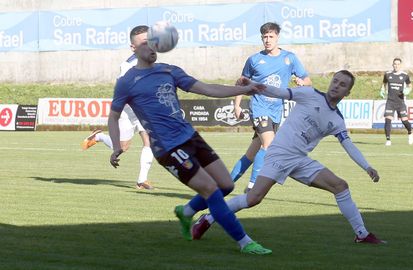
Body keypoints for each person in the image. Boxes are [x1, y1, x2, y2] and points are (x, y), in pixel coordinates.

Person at [107, 25, 272, 255]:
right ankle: (245, 242)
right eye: (144, 42)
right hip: (167, 148)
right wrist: (116, 146)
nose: (151, 46)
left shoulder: (169, 70)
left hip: (190, 137)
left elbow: (207, 88)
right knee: (211, 190)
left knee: (226, 185)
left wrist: (244, 90)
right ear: (133, 48)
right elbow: (113, 117)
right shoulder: (127, 81)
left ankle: (186, 212)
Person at [192, 70, 386, 245]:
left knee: (340, 186)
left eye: (343, 84)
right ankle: (209, 217)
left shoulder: (337, 120)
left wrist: (367, 166)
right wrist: (252, 84)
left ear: (348, 93)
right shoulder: (310, 94)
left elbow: (348, 145)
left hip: (299, 159)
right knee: (253, 199)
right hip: (279, 152)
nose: (337, 85)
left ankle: (361, 234)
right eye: (335, 81)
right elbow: (279, 92)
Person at [230, 22, 312, 192]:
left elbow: (307, 80)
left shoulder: (290, 58)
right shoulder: (254, 60)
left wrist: (302, 82)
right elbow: (241, 83)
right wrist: (237, 105)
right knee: (269, 145)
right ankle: (253, 186)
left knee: (251, 154)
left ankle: (224, 186)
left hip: (276, 111)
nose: (267, 40)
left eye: (271, 36)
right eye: (264, 37)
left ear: (277, 37)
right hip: (259, 108)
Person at [81, 53, 154, 190]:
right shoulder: (128, 65)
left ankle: (141, 180)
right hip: (127, 109)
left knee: (149, 141)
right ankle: (99, 137)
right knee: (123, 147)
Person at [380, 57, 413, 146]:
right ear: (392, 65)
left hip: (400, 102)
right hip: (390, 101)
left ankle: (410, 132)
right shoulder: (387, 74)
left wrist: (408, 90)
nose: (396, 66)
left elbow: (410, 85)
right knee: (388, 120)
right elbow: (384, 84)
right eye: (395, 64)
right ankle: (388, 140)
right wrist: (382, 90)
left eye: (398, 64)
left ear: (400, 65)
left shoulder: (404, 75)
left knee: (404, 120)